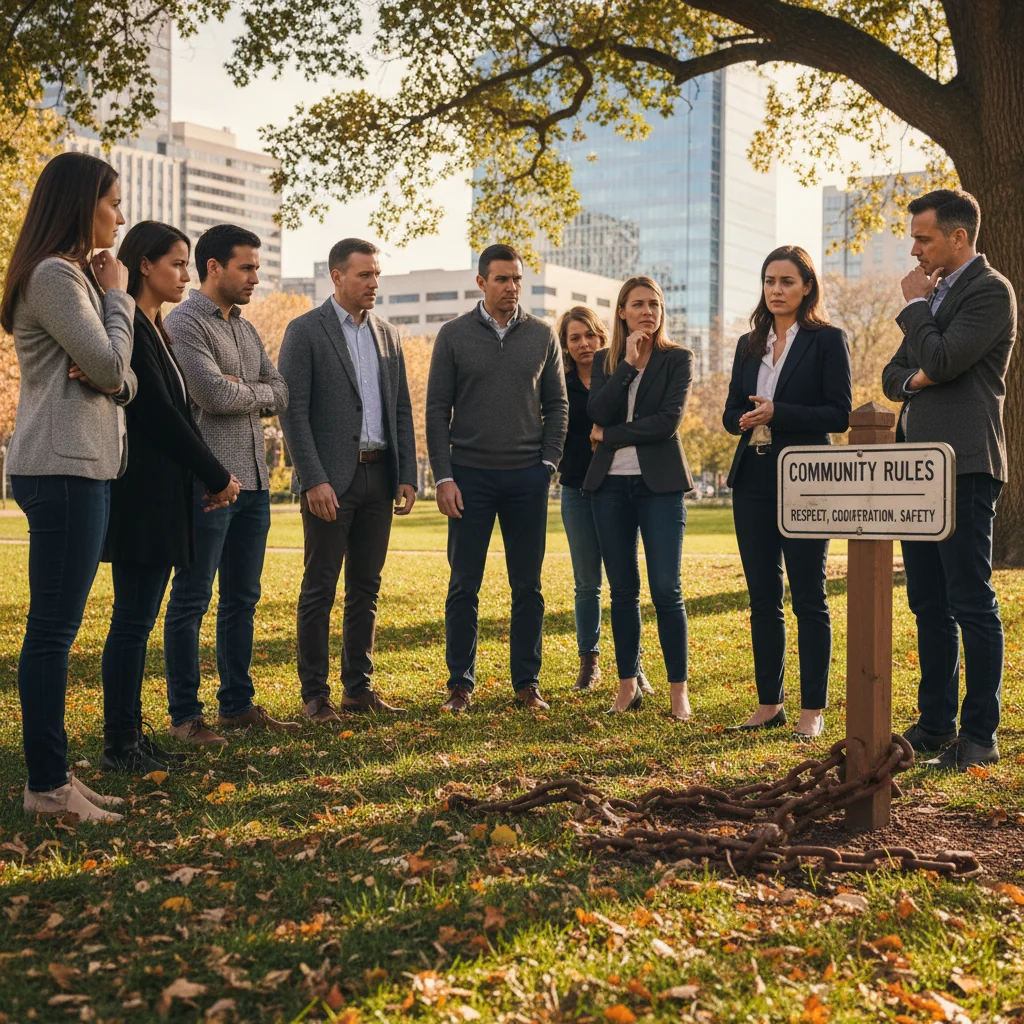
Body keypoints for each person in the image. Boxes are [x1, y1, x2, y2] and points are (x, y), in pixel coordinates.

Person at [0, 151, 136, 820]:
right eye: (113, 200)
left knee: (58, 628)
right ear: (82, 203)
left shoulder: (72, 277)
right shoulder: (56, 276)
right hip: (61, 469)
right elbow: (112, 367)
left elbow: (120, 381)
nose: (120, 213)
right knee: (52, 632)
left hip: (80, 468)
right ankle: (47, 787)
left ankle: (57, 779)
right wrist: (120, 300)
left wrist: (114, 370)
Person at [99, 222, 241, 773]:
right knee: (132, 621)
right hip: (142, 495)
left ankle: (131, 736)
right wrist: (215, 474)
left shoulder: (157, 329)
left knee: (137, 619)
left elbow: (176, 412)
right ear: (144, 266)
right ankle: (120, 744)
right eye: (178, 264)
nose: (186, 274)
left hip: (163, 494)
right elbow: (158, 415)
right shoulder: (131, 325)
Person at [882, 189, 1016, 771]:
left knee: (971, 601)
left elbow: (941, 361)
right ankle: (934, 724)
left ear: (958, 237)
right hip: (914, 471)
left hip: (964, 465)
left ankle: (979, 734)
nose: (914, 251)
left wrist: (916, 314)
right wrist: (918, 375)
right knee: (927, 602)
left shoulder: (990, 291)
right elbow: (895, 375)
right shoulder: (935, 295)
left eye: (924, 238)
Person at [162, 224, 295, 744]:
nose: (255, 277)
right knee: (193, 598)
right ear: (213, 266)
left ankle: (236, 705)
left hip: (256, 484)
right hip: (211, 483)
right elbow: (213, 396)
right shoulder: (184, 323)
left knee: (243, 598)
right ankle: (184, 716)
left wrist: (248, 388)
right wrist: (248, 391)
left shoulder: (246, 328)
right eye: (247, 267)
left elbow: (280, 391)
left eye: (258, 267)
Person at [278, 238, 417, 726]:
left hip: (380, 477)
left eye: (376, 274)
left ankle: (358, 688)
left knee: (367, 587)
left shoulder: (389, 335)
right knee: (320, 587)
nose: (373, 283)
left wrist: (407, 476)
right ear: (337, 276)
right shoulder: (305, 331)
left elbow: (401, 409)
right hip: (329, 483)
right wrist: (312, 478)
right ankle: (315, 696)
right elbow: (292, 412)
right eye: (364, 275)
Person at [426, 244, 568, 712]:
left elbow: (558, 405)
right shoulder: (452, 335)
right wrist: (443, 476)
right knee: (464, 584)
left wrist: (547, 463)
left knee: (527, 585)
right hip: (469, 478)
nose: (511, 287)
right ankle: (459, 685)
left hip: (527, 477)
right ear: (481, 283)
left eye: (517, 279)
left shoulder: (543, 335)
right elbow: (435, 410)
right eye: (502, 279)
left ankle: (527, 683)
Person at [722, 246, 851, 740]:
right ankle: (769, 703)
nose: (776, 290)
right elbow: (730, 410)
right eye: (770, 281)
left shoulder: (827, 340)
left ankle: (811, 710)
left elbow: (837, 414)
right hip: (752, 478)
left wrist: (780, 412)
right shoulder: (747, 344)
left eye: (787, 282)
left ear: (806, 288)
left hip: (807, 480)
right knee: (763, 596)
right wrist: (743, 418)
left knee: (809, 597)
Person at [585, 276, 693, 720]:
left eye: (655, 303)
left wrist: (609, 435)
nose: (648, 311)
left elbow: (666, 423)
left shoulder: (678, 359)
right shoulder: (605, 361)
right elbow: (594, 410)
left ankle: (678, 693)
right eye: (638, 304)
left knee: (667, 589)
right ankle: (627, 686)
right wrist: (627, 365)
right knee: (622, 591)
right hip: (608, 487)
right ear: (623, 313)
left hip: (660, 487)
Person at [557, 306, 654, 695]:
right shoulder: (558, 383)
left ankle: (633, 666)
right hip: (577, 487)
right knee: (586, 583)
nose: (583, 344)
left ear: (602, 336)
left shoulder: (620, 374)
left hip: (618, 485)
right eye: (574, 338)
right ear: (565, 345)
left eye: (589, 336)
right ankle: (589, 661)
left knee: (624, 582)